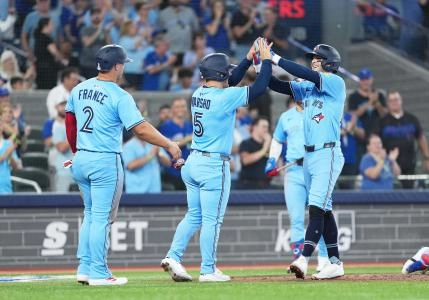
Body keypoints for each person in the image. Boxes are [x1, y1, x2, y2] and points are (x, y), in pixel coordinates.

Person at [65, 44, 181, 286]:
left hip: (82, 158)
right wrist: (168, 144)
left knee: (90, 215)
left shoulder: (79, 88)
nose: (123, 68)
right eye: (123, 64)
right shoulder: (119, 95)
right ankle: (98, 272)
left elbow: (70, 123)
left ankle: (84, 268)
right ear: (116, 66)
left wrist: (77, 151)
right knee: (101, 218)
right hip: (104, 159)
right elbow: (140, 129)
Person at [161, 39, 273, 282]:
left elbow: (229, 80)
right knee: (212, 220)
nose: (230, 75)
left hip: (193, 163)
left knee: (194, 215)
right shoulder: (225, 97)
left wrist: (246, 58)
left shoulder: (198, 93)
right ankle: (208, 269)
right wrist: (264, 59)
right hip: (213, 165)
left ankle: (173, 255)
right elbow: (260, 87)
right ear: (221, 74)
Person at [266, 43, 346, 279]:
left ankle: (303, 258)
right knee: (324, 208)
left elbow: (304, 73)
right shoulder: (308, 87)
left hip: (328, 152)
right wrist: (263, 64)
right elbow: (276, 85)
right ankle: (334, 262)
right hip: (310, 155)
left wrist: (275, 57)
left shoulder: (334, 82)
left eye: (318, 58)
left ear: (329, 62)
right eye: (312, 57)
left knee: (315, 207)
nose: (313, 60)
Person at [265, 100, 330, 270]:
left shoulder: (319, 112)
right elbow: (277, 140)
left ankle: (324, 258)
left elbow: (328, 133)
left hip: (316, 169)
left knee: (321, 214)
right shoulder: (286, 117)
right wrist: (272, 160)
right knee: (296, 218)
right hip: (293, 171)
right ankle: (300, 260)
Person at [376, 91, 429, 189]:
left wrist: (426, 158)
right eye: (391, 100)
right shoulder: (382, 122)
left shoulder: (412, 119)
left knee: (409, 192)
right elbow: (375, 142)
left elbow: (421, 138)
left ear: (401, 101)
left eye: (396, 99)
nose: (394, 102)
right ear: (387, 104)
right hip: (389, 165)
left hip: (409, 164)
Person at [158, 97, 193, 190]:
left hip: (190, 171)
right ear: (172, 109)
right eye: (177, 107)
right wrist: (189, 138)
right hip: (173, 172)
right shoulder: (165, 126)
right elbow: (168, 145)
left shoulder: (190, 125)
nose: (180, 109)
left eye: (183, 106)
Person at [237, 116, 272, 189]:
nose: (266, 129)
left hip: (266, 185)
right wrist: (264, 149)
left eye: (267, 127)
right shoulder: (246, 143)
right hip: (249, 186)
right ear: (255, 127)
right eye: (263, 127)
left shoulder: (268, 144)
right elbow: (245, 160)